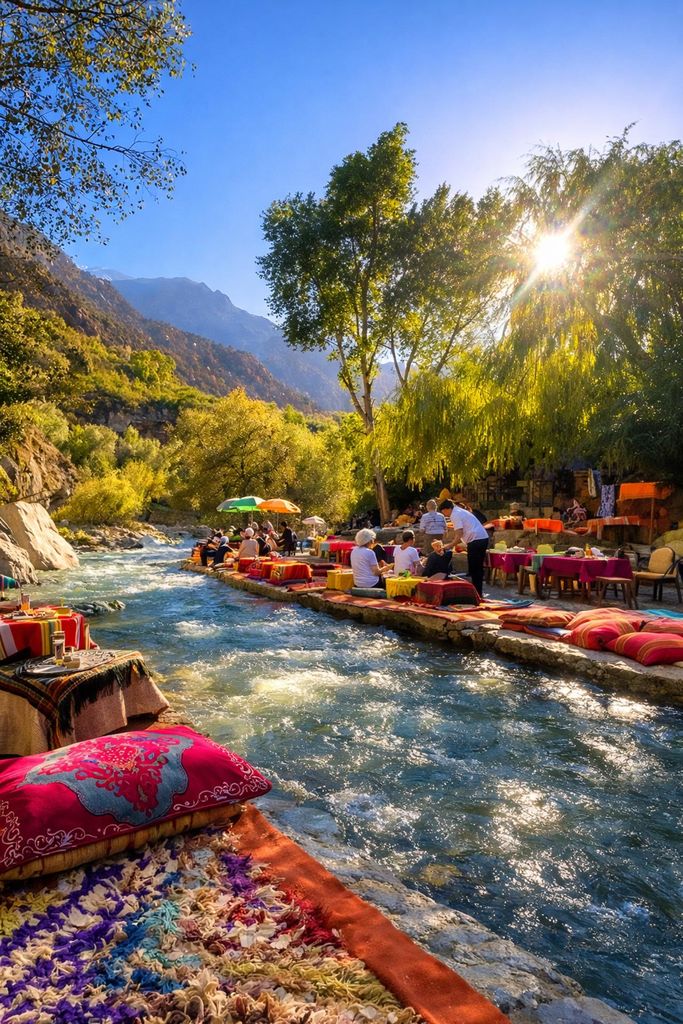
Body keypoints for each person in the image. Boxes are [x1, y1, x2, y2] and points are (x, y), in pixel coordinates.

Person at [440, 499, 489, 596]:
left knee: (475, 568)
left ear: (448, 509)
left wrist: (449, 546)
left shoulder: (455, 514)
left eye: (444, 512)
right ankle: (477, 592)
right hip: (481, 538)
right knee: (476, 568)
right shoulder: (459, 511)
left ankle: (477, 593)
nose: (445, 515)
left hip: (476, 540)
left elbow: (459, 534)